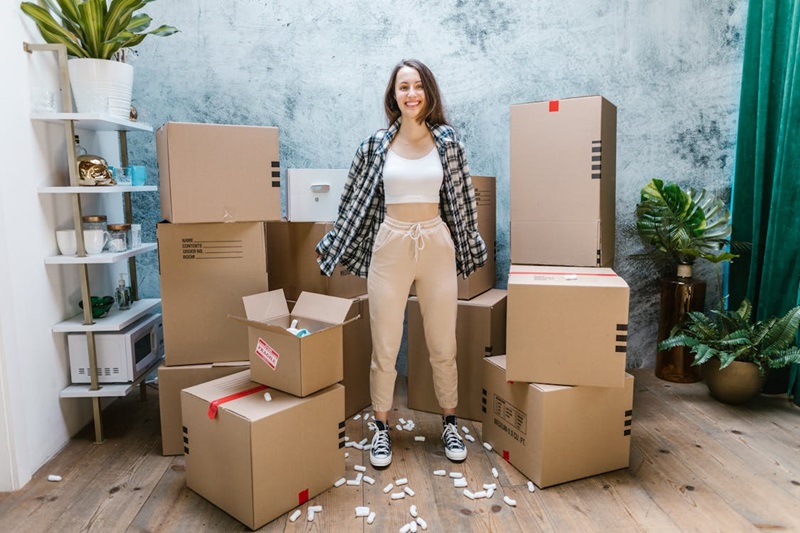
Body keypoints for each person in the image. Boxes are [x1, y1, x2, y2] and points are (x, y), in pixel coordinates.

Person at [316, 59, 487, 468]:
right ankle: (380, 428)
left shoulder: (449, 142)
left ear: (428, 92)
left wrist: (471, 245)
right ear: (393, 97)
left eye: (417, 86)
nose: (410, 94)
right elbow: (352, 203)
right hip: (390, 243)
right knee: (386, 345)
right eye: (402, 88)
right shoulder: (374, 146)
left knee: (443, 343)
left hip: (436, 243)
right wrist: (333, 242)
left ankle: (449, 421)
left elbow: (464, 203)